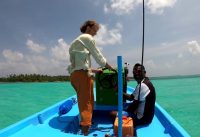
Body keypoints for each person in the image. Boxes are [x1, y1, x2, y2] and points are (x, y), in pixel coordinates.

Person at [67, 20, 114, 136]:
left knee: (88, 101)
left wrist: (95, 70)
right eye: (95, 30)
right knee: (86, 103)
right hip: (82, 76)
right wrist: (110, 68)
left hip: (75, 76)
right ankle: (85, 131)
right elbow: (98, 55)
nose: (96, 33)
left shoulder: (76, 41)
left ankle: (87, 122)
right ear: (89, 27)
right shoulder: (87, 38)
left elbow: (79, 65)